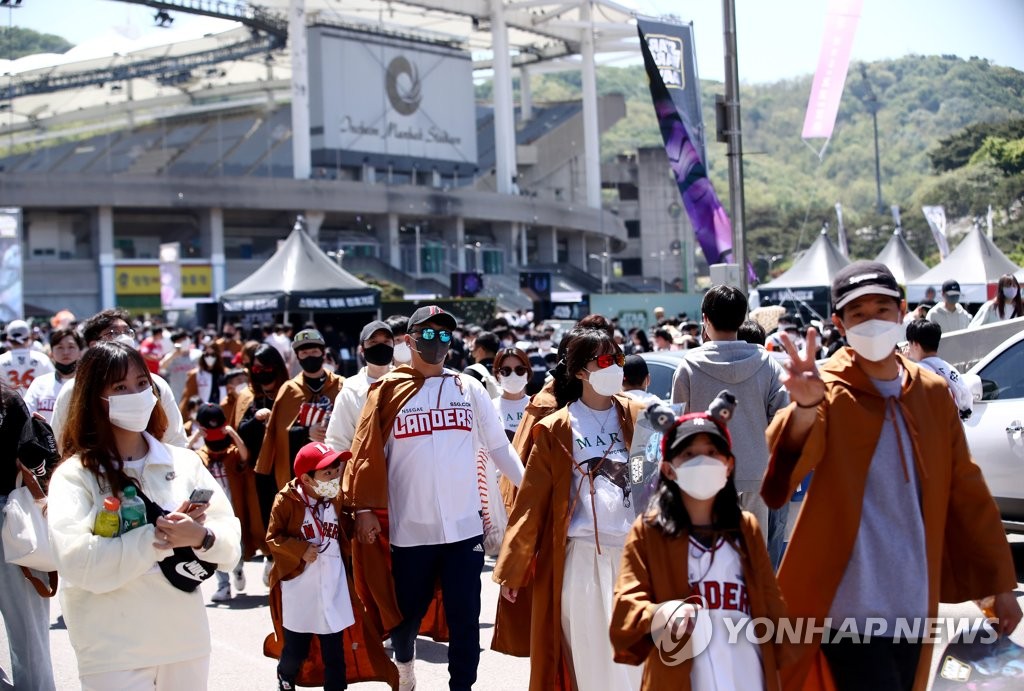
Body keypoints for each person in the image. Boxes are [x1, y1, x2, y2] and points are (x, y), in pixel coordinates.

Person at [762, 260, 1021, 691]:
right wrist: (804, 410)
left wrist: (998, 584)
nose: (872, 322)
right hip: (844, 611)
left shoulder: (932, 393)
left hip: (914, 605)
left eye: (882, 309)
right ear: (838, 323)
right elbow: (778, 483)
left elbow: (967, 492)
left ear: (902, 311)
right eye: (858, 314)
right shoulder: (825, 388)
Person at [346, 305, 524, 691]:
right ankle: (405, 661)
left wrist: (530, 490)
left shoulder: (468, 387)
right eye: (428, 335)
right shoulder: (386, 392)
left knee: (466, 618)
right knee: (407, 617)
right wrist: (362, 508)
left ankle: (462, 686)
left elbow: (499, 447)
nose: (437, 342)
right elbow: (366, 454)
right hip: (412, 530)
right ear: (408, 341)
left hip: (464, 528)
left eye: (445, 335)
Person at [47, 341, 241, 690]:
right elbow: (78, 562)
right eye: (120, 387)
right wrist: (157, 539)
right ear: (95, 398)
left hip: (185, 642)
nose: (136, 394)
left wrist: (201, 538)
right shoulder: (75, 475)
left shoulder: (182, 463)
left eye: (141, 383)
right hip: (111, 650)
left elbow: (229, 542)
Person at [493, 324, 646, 691]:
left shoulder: (639, 416)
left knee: (640, 660)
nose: (615, 367)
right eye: (605, 360)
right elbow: (532, 503)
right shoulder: (555, 428)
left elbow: (654, 483)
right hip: (580, 561)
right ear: (579, 371)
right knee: (591, 658)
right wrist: (514, 568)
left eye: (619, 358)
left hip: (636, 556)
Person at [610, 394, 789, 690]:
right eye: (689, 455)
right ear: (668, 469)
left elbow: (772, 603)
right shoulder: (649, 532)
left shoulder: (746, 528)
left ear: (729, 464)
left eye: (712, 452)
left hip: (747, 674)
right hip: (682, 677)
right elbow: (626, 606)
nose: (703, 461)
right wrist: (660, 614)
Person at [671, 285, 789, 566]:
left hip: (702, 479)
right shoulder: (766, 362)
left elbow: (676, 429)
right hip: (756, 474)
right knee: (753, 561)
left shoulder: (688, 365)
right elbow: (784, 415)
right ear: (742, 318)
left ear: (705, 319)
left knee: (707, 565)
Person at [265, 442, 397, 691]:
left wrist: (360, 529)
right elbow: (273, 538)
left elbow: (342, 527)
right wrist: (300, 549)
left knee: (335, 651)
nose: (335, 478)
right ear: (306, 478)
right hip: (300, 588)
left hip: (333, 584)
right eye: (327, 474)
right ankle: (285, 675)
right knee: (296, 649)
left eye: (337, 472)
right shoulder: (286, 501)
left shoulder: (334, 497)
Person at [51, 309, 187, 452]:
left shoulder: (156, 384)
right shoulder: (75, 389)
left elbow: (175, 439)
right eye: (113, 333)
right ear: (94, 345)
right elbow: (60, 442)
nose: (124, 338)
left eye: (127, 332)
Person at [0, 376, 59, 691]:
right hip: (13, 514)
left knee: (28, 624)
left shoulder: (9, 401)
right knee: (28, 626)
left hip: (12, 514)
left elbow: (33, 451)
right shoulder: (10, 400)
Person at [256, 329, 344, 498]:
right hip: (300, 474)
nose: (310, 356)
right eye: (304, 352)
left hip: (336, 468)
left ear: (323, 353)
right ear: (297, 356)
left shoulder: (342, 385)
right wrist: (306, 432)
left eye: (314, 351)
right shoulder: (289, 390)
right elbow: (278, 434)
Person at [234, 343, 290, 586]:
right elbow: (240, 431)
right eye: (256, 369)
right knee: (266, 519)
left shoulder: (289, 393)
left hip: (287, 468)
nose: (261, 373)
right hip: (260, 472)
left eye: (266, 368)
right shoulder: (250, 397)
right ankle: (271, 557)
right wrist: (258, 420)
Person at [190, 403, 251, 602]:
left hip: (233, 509)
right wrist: (197, 437)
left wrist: (234, 435)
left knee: (237, 544)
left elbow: (245, 456)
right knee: (214, 546)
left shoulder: (231, 453)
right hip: (212, 511)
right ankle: (223, 585)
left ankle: (238, 569)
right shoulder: (200, 457)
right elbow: (182, 456)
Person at [325, 320, 394, 454]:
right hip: (367, 471)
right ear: (362, 349)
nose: (381, 347)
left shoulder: (407, 383)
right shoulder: (350, 390)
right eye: (373, 342)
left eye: (386, 342)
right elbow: (338, 442)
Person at [904, 319, 973, 419]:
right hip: (952, 430)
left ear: (915, 344)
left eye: (909, 343)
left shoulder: (914, 372)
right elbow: (967, 405)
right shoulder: (950, 369)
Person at [24, 326, 83, 423]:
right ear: (51, 353)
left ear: (80, 352)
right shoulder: (40, 383)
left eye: (71, 347)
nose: (65, 352)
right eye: (60, 347)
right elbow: (27, 413)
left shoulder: (89, 384)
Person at [0, 318, 54, 394]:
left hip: (8, 405)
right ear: (29, 338)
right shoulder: (42, 359)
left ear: (8, 339)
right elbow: (53, 384)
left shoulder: (1, 360)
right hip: (36, 404)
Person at [492, 347, 532, 441]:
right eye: (506, 371)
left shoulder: (537, 407)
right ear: (498, 375)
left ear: (527, 372)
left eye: (520, 370)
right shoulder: (489, 408)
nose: (513, 376)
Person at [179, 342, 226, 415]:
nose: (209, 357)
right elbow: (187, 397)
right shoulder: (195, 374)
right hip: (202, 413)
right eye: (207, 355)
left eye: (212, 355)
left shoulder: (225, 373)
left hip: (221, 412)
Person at [160, 330, 201, 402]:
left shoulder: (197, 354)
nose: (184, 342)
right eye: (180, 340)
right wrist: (173, 355)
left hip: (193, 393)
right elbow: (161, 367)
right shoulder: (171, 356)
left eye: (185, 339)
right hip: (177, 394)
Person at [464, 331, 501, 398]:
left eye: (472, 350)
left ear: (480, 350)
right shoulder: (506, 370)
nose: (471, 354)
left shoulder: (471, 372)